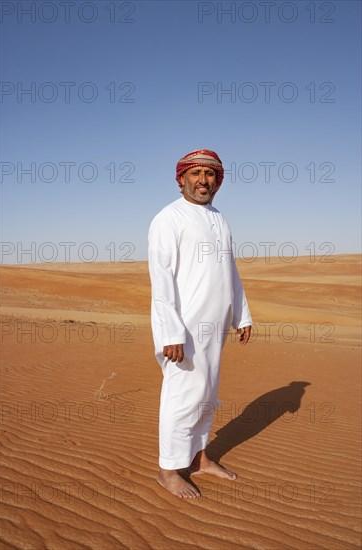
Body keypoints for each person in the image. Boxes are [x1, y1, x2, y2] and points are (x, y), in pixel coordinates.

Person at [148, 149, 252, 499]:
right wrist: (170, 332)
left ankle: (199, 459)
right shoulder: (169, 218)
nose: (203, 181)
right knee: (181, 395)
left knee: (207, 394)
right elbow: (161, 280)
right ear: (182, 179)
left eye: (210, 175)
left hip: (215, 326)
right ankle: (167, 470)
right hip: (184, 328)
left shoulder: (219, 218)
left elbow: (229, 271)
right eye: (196, 174)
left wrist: (242, 313)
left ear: (218, 181)